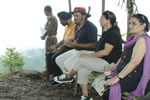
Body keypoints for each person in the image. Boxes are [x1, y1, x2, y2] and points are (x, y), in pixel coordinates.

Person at [54, 10, 122, 100]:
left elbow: (106, 52)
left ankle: (68, 76)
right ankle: (86, 96)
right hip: (101, 59)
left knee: (80, 59)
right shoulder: (107, 32)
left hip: (109, 63)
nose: (99, 20)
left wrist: (87, 56)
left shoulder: (112, 34)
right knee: (82, 70)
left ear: (108, 20)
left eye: (101, 19)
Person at [102, 13, 150, 100]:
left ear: (143, 26)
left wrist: (117, 78)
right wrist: (114, 67)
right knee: (101, 80)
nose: (130, 26)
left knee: (108, 90)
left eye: (134, 23)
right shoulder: (133, 38)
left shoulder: (142, 40)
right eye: (130, 23)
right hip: (125, 72)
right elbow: (123, 56)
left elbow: (134, 62)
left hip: (134, 77)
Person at [46, 11, 76, 86]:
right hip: (65, 47)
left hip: (71, 48)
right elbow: (64, 40)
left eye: (61, 20)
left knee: (54, 57)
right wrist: (56, 46)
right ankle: (52, 75)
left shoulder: (74, 26)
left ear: (65, 19)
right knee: (49, 55)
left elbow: (70, 42)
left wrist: (59, 49)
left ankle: (59, 78)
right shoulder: (67, 28)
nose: (60, 22)